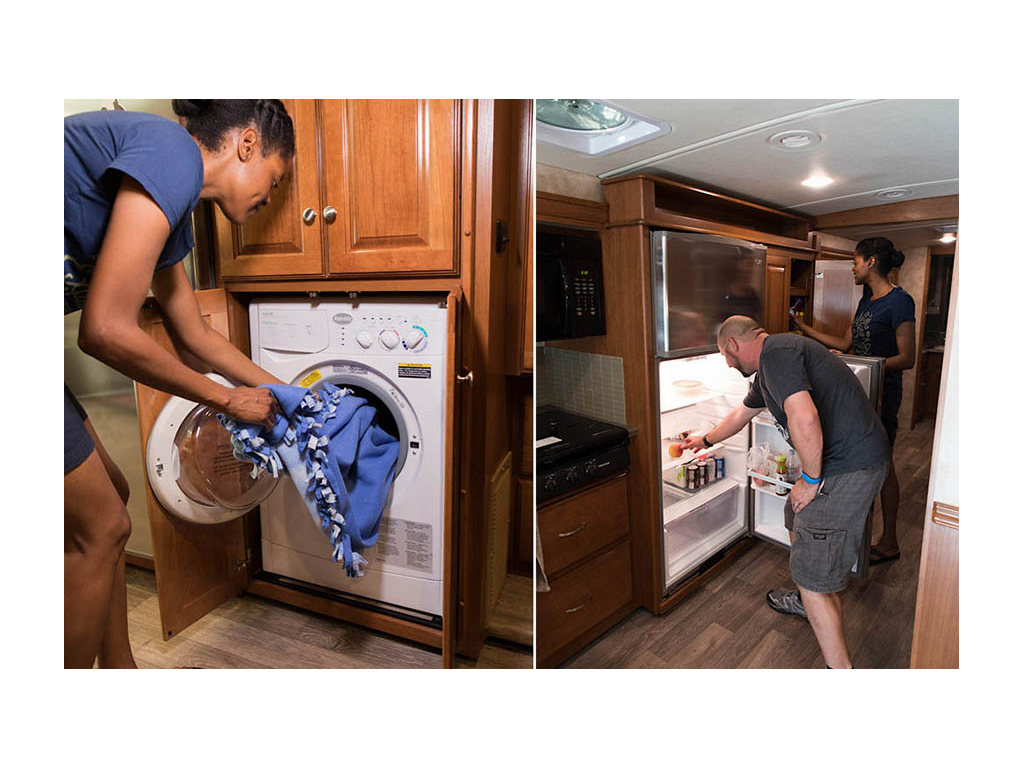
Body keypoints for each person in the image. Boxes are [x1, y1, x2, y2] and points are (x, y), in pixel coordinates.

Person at [64, 100, 295, 668]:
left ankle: (122, 673)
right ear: (246, 144)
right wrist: (224, 398)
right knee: (103, 525)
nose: (272, 196)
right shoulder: (171, 153)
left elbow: (194, 338)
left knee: (108, 502)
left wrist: (296, 398)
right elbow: (103, 331)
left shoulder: (172, 202)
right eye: (275, 178)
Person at [680, 316, 890, 668]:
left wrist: (809, 480)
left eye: (725, 357)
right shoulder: (772, 367)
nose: (729, 365)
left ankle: (839, 666)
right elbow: (740, 415)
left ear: (733, 344)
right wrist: (703, 440)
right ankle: (807, 599)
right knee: (794, 513)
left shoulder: (777, 353)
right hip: (850, 460)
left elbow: (805, 418)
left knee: (814, 568)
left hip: (851, 467)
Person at [792, 237, 916, 564]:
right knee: (855, 461)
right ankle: (850, 541)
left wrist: (867, 366)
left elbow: (907, 357)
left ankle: (889, 541)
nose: (853, 267)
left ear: (872, 261)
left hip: (883, 395)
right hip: (857, 391)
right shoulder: (866, 300)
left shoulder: (900, 302)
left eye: (856, 261)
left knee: (883, 466)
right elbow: (846, 343)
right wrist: (805, 329)